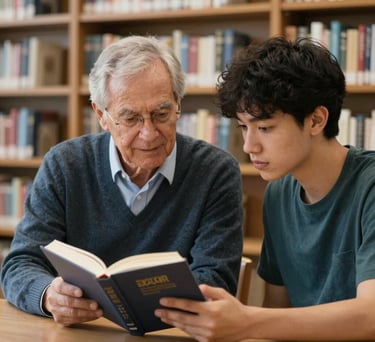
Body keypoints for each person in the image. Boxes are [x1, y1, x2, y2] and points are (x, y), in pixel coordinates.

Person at [0, 35, 244, 327]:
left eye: (161, 114)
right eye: (130, 119)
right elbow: (19, 264)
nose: (149, 133)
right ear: (101, 115)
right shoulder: (65, 165)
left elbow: (215, 281)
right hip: (82, 333)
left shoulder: (215, 172)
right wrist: (50, 295)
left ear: (179, 104)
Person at [154, 36, 375, 341]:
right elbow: (277, 310)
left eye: (265, 128)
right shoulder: (279, 193)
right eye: (244, 127)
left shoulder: (370, 187)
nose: (249, 146)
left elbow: (370, 317)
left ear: (316, 120)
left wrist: (245, 321)